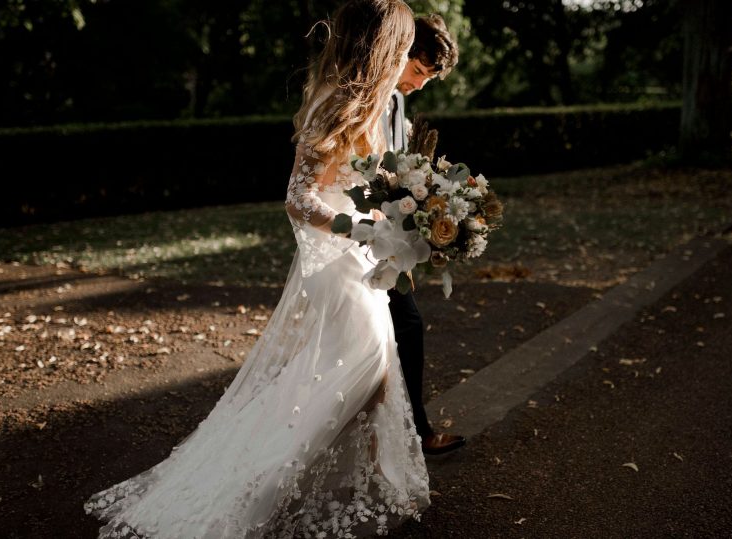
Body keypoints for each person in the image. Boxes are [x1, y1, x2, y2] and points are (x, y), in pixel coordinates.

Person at [84, 2, 430, 537]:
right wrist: (356, 229)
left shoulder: (372, 103)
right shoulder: (334, 103)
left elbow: (363, 186)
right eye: (404, 47)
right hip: (338, 264)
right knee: (357, 373)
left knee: (373, 374)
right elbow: (297, 199)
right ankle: (246, 499)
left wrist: (402, 218)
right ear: (383, 47)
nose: (409, 56)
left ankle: (362, 483)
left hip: (360, 260)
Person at [381, 14, 465, 456]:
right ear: (400, 52)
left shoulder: (395, 102)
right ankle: (416, 432)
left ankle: (407, 431)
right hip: (363, 235)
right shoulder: (372, 100)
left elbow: (396, 172)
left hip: (388, 236)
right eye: (418, 71)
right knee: (404, 327)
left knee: (395, 331)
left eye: (428, 77)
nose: (419, 84)